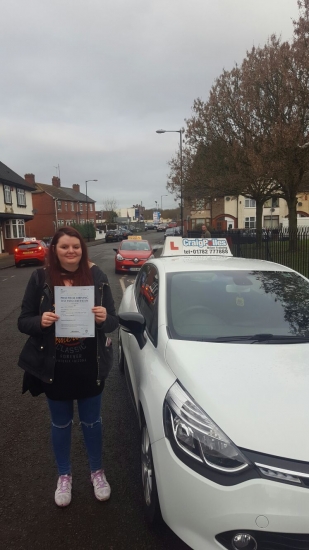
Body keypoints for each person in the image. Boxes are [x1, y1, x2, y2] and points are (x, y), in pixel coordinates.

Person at [18, 227, 118, 507]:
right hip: (55, 367)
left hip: (90, 365)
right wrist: (41, 321)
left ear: (82, 249)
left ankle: (97, 472)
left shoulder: (97, 277)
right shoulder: (40, 278)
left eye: (75, 246)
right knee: (60, 424)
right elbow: (23, 320)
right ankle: (64, 475)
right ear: (55, 250)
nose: (71, 251)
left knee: (92, 423)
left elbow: (113, 321)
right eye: (64, 247)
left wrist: (103, 318)